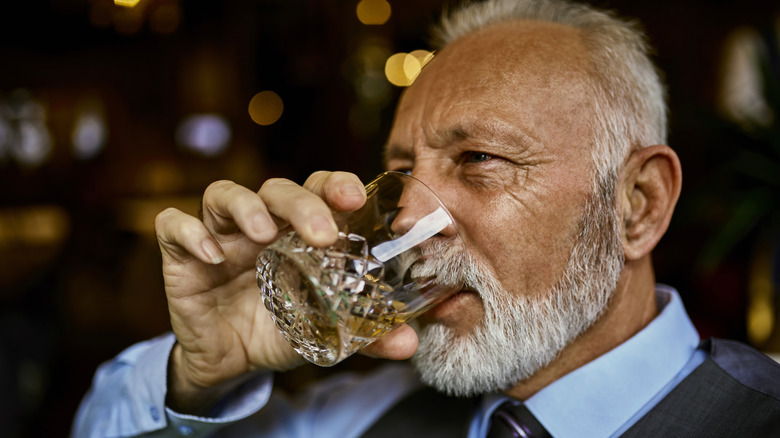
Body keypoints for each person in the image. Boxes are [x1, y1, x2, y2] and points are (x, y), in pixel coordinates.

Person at [72, 0, 780, 436]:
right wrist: (200, 372)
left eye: (477, 157)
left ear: (638, 205)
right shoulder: (358, 415)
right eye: (401, 172)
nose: (407, 211)